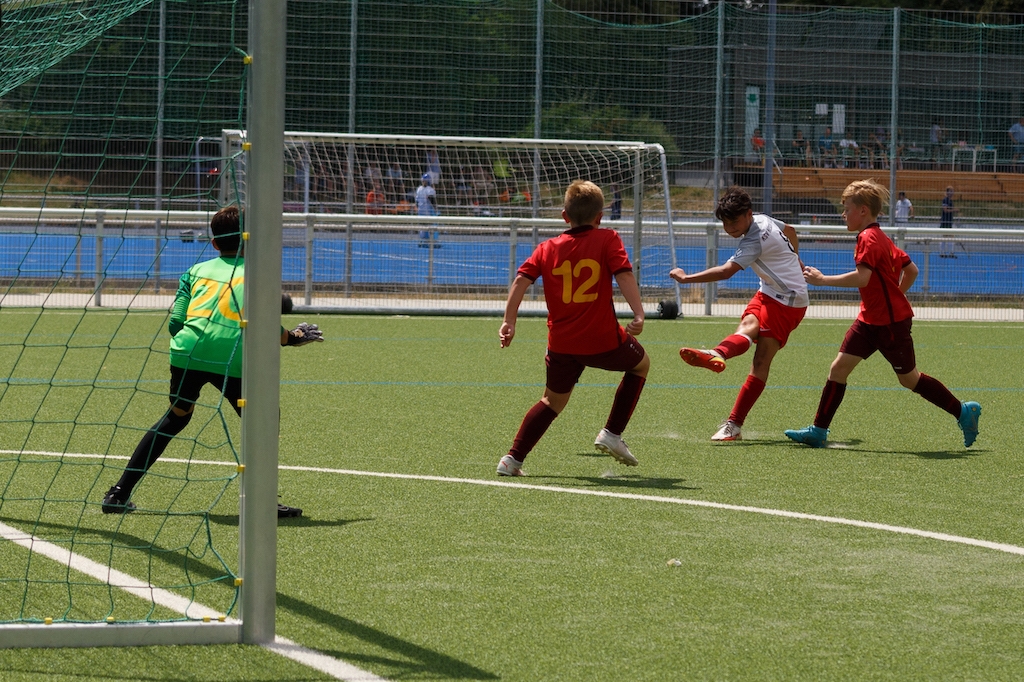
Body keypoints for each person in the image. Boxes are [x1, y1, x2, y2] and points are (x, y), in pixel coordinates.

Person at [101, 206, 325, 517]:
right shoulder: (259, 273)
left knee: (176, 418)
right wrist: (296, 336)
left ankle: (118, 494)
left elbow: (175, 323)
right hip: (233, 358)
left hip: (187, 353)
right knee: (263, 421)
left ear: (214, 243)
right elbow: (268, 327)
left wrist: (196, 343)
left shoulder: (194, 272)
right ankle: (262, 502)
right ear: (250, 238)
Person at [784, 179, 981, 450]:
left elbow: (862, 278)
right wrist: (895, 294)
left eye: (847, 209)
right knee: (838, 368)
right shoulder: (883, 238)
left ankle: (964, 411)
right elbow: (911, 270)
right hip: (869, 320)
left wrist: (822, 279)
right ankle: (818, 430)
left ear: (863, 210)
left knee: (909, 379)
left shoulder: (868, 238)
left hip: (890, 324)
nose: (843, 214)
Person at [496, 180, 649, 476]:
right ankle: (612, 433)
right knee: (641, 365)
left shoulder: (546, 248)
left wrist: (509, 321)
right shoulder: (608, 238)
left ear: (564, 216)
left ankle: (512, 460)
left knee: (552, 401)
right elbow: (624, 274)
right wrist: (638, 313)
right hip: (602, 339)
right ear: (600, 216)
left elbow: (520, 281)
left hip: (562, 344)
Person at [669, 187, 807, 442]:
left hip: (789, 301)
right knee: (748, 325)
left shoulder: (753, 241)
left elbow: (726, 272)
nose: (730, 228)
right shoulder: (763, 219)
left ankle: (734, 425)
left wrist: (686, 278)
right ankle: (717, 353)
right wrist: (796, 259)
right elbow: (790, 230)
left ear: (748, 214)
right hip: (769, 291)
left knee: (761, 362)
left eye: (734, 222)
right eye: (725, 223)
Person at [939, 185, 957, 258]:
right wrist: (954, 210)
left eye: (952, 191)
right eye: (950, 191)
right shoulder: (945, 200)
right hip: (945, 221)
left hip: (949, 221)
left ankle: (950, 252)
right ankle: (942, 252)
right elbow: (945, 210)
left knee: (950, 237)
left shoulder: (950, 201)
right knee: (945, 237)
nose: (952, 193)